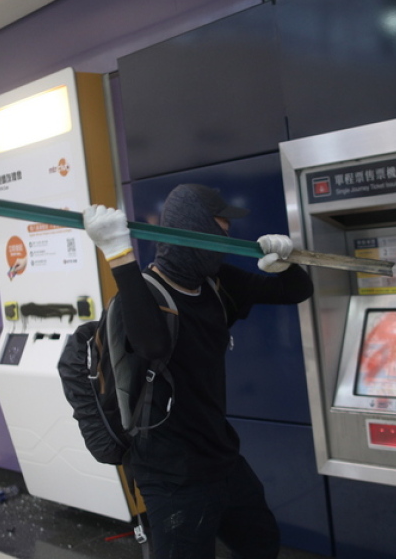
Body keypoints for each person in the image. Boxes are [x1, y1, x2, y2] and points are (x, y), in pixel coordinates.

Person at [82, 183, 313, 559]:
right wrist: (118, 255)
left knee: (261, 542)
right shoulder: (143, 296)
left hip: (221, 456)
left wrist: (288, 265)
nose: (227, 235)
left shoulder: (216, 283)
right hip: (171, 473)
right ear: (196, 228)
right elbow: (152, 344)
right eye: (220, 226)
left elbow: (294, 292)